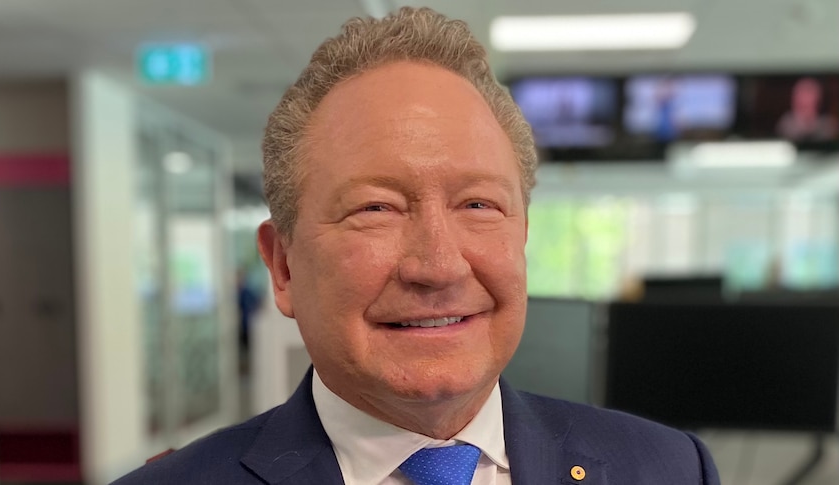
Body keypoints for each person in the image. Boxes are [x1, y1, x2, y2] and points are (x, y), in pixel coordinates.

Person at [113, 7, 719, 485]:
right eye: (375, 209)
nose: (438, 266)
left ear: (523, 237)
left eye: (478, 205)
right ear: (282, 265)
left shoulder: (669, 468)